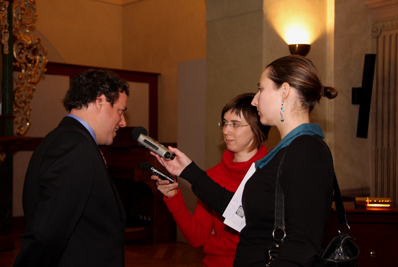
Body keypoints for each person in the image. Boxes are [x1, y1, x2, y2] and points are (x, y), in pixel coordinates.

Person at [152, 55, 338, 267]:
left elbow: (303, 244)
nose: (254, 100)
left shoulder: (306, 151)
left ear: (284, 91)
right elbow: (239, 212)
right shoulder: (288, 150)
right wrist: (187, 170)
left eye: (261, 89)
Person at [14, 69, 129, 267]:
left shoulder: (65, 139)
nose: (123, 122)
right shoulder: (74, 147)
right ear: (100, 101)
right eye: (120, 110)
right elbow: (47, 232)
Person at [152, 93, 270, 267]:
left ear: (256, 129)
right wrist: (173, 196)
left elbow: (258, 237)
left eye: (235, 124)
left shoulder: (269, 173)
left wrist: (214, 244)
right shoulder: (213, 175)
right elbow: (197, 237)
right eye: (224, 123)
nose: (225, 130)